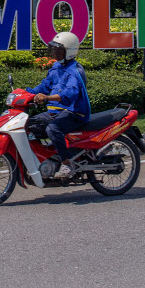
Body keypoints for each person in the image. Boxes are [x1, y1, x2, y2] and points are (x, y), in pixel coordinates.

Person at [27, 31, 90, 180]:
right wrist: (26, 93)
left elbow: (70, 94)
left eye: (58, 50)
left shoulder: (75, 71)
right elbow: (44, 86)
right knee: (29, 125)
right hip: (56, 112)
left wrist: (47, 98)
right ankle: (47, 158)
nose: (55, 52)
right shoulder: (57, 67)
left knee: (53, 129)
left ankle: (67, 163)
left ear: (69, 52)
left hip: (74, 113)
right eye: (54, 49)